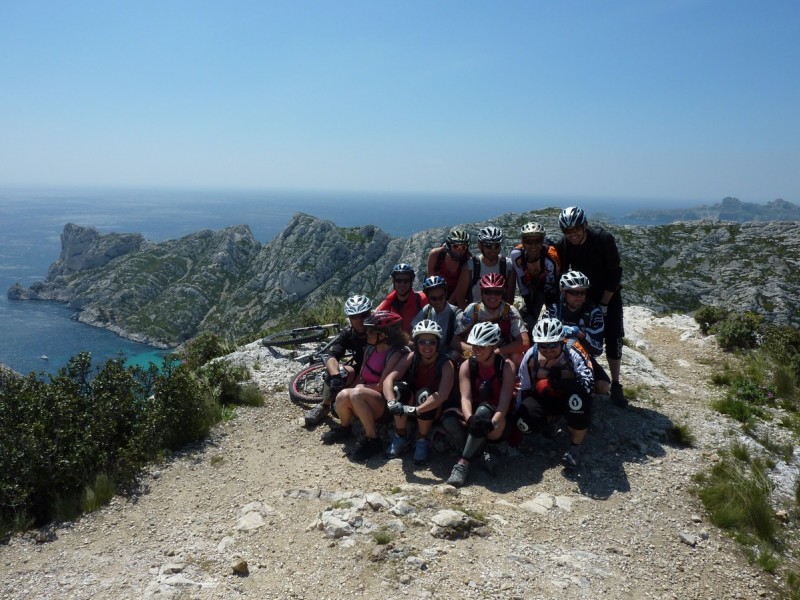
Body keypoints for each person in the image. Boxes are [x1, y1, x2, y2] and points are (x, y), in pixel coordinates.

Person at [555, 206, 627, 407]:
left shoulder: (603, 239)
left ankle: (616, 384)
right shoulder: (566, 245)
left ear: (584, 226)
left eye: (576, 229)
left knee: (613, 335)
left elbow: (615, 273)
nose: (572, 234)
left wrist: (604, 303)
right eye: (567, 231)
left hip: (608, 294)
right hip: (582, 294)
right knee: (582, 334)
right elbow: (557, 266)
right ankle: (579, 370)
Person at [321, 310, 410, 462]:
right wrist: (349, 392)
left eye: (371, 331)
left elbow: (382, 385)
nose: (367, 333)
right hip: (366, 395)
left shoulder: (395, 354)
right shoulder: (370, 349)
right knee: (343, 395)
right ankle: (345, 427)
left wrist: (358, 390)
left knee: (355, 394)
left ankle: (372, 440)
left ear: (384, 335)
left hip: (382, 401)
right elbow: (361, 376)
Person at [442, 322, 516, 487]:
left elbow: (504, 404)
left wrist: (492, 423)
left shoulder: (506, 366)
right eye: (475, 346)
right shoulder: (468, 365)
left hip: (497, 420)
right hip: (475, 416)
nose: (477, 350)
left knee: (483, 412)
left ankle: (463, 463)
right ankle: (481, 453)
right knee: (449, 418)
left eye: (482, 346)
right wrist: (470, 419)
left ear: (493, 346)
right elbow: (465, 398)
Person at [514, 317, 594, 469]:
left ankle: (575, 445)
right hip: (547, 396)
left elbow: (588, 382)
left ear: (561, 341)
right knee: (523, 423)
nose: (549, 350)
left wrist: (563, 377)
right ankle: (550, 420)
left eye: (553, 345)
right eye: (544, 346)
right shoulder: (531, 355)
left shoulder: (574, 350)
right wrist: (518, 410)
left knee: (577, 402)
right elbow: (522, 387)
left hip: (571, 394)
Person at [383, 319, 457, 465]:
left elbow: (442, 395)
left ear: (438, 344)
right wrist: (391, 402)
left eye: (432, 342)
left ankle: (422, 439)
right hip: (411, 406)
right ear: (416, 343)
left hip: (432, 408)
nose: (427, 346)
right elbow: (388, 380)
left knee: (425, 395)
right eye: (422, 342)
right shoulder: (412, 357)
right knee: (398, 389)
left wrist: (413, 409)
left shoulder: (446, 363)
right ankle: (401, 435)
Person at [304, 294, 373, 426]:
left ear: (370, 313)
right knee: (338, 371)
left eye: (363, 315)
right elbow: (332, 357)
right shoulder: (348, 333)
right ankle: (324, 406)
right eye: (354, 316)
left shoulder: (378, 331)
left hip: (378, 371)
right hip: (361, 369)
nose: (359, 320)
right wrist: (335, 377)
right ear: (349, 318)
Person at [547, 271, 611, 397]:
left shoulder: (594, 313)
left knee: (603, 387)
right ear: (564, 292)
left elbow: (598, 349)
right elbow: (542, 338)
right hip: (555, 356)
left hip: (584, 357)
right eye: (574, 292)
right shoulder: (554, 310)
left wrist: (582, 335)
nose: (580, 296)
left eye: (583, 292)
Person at [454, 273, 530, 366]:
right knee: (454, 355)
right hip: (476, 352)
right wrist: (475, 350)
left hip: (500, 352)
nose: (492, 296)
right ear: (481, 293)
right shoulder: (473, 309)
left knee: (518, 358)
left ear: (503, 293)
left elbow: (524, 343)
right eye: (488, 292)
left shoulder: (509, 311)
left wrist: (496, 351)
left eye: (497, 292)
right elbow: (454, 341)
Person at [509, 221, 560, 327]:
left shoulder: (549, 261)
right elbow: (521, 279)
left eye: (537, 241)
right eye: (528, 242)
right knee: (528, 316)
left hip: (549, 284)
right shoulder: (516, 255)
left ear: (543, 242)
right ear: (522, 242)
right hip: (531, 282)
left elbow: (551, 289)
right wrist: (528, 303)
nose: (533, 245)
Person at [452, 226, 515, 309]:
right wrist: (470, 317)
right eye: (488, 246)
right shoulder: (470, 267)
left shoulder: (508, 266)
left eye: (496, 246)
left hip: (500, 314)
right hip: (475, 315)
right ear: (480, 246)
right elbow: (460, 298)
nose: (493, 250)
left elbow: (509, 299)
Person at [411, 275, 464, 361]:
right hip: (427, 354)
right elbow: (413, 330)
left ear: (445, 295)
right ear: (428, 298)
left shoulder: (456, 314)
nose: (438, 301)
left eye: (441, 297)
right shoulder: (427, 309)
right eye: (434, 298)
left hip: (446, 358)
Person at [376, 263, 429, 333]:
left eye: (406, 281)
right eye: (398, 280)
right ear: (393, 281)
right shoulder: (388, 304)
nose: (402, 284)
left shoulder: (422, 300)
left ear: (411, 282)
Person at [426, 227, 472, 306]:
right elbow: (431, 280)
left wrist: (446, 307)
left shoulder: (467, 262)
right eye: (455, 246)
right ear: (448, 246)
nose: (459, 250)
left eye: (463, 247)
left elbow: (459, 289)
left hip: (456, 297)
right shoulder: (436, 255)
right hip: (435, 292)